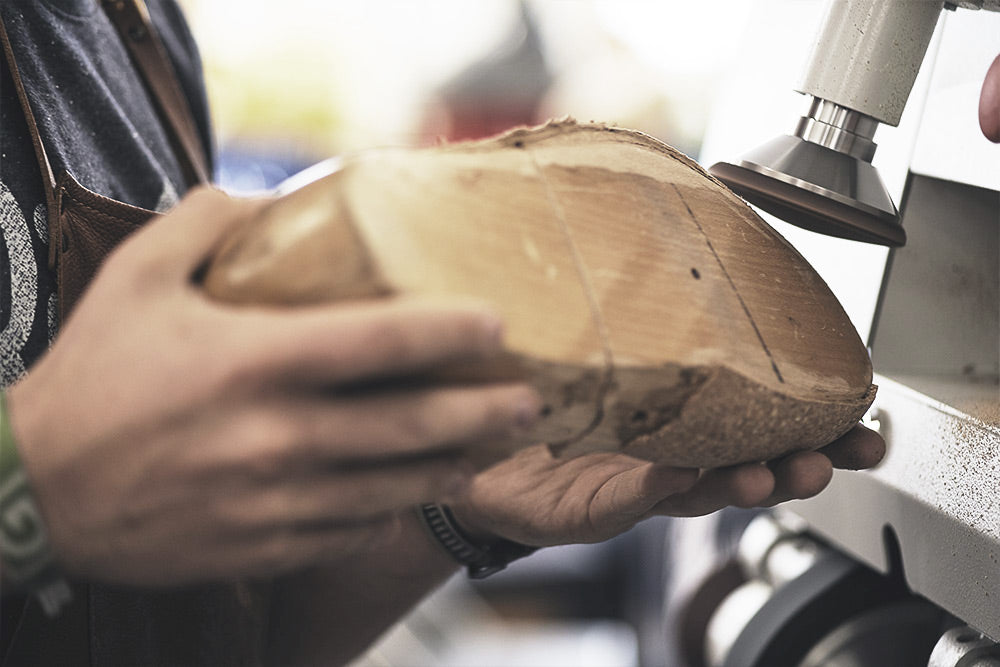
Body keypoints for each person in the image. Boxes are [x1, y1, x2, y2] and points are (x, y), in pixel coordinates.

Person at [0, 1, 940, 665]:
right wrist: (32, 487)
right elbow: (57, 503)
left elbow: (218, 632)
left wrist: (452, 512)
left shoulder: (133, 29)